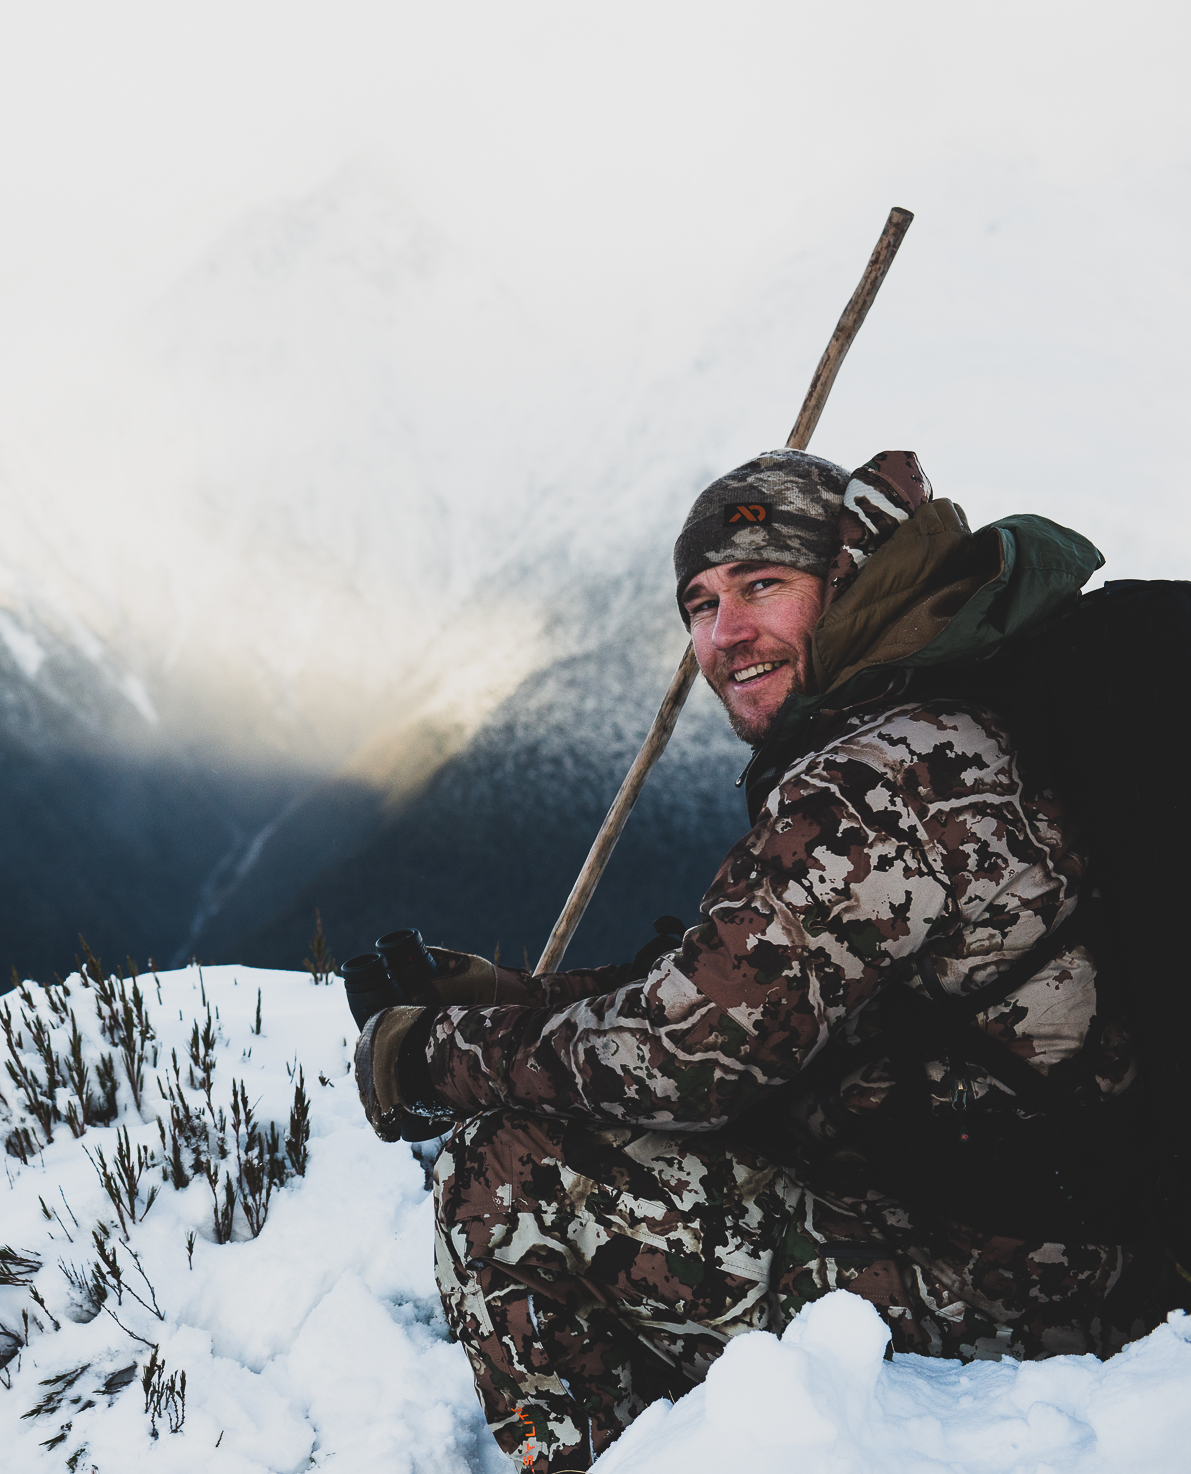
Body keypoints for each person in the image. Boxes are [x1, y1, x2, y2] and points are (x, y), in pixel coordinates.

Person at [350, 449, 1175, 1471]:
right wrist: (526, 1000)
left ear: (849, 579)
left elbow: (685, 1056)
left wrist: (431, 1054)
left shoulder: (882, 776)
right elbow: (754, 992)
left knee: (506, 1173)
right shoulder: (946, 712)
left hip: (1027, 1279)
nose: (723, 634)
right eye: (699, 602)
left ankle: (570, 1458)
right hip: (1054, 1221)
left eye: (762, 585)